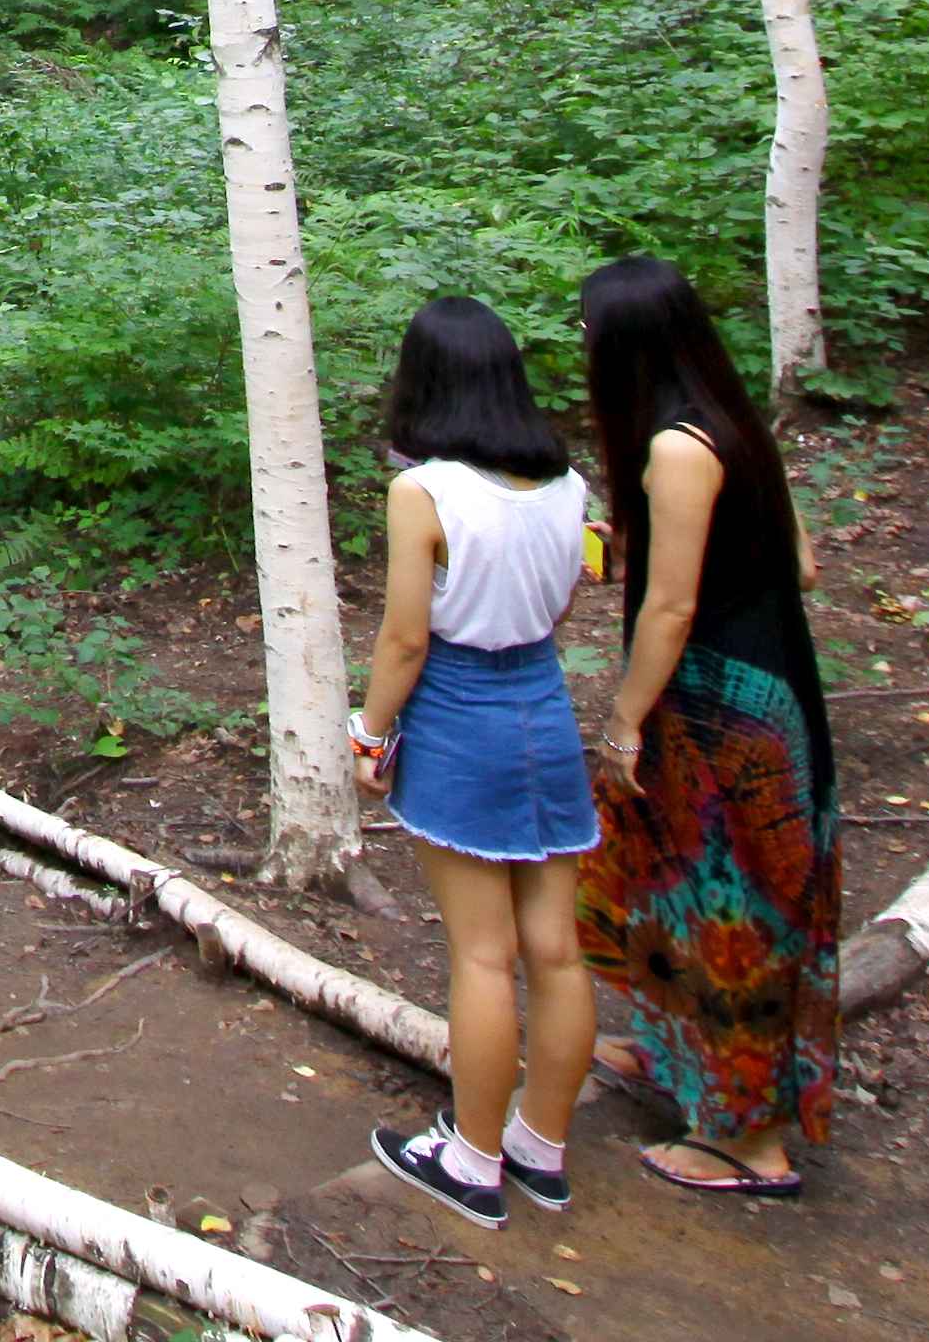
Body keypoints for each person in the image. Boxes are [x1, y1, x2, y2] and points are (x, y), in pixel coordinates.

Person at [576, 254, 841, 1200]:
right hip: (773, 687)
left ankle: (748, 1142)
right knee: (669, 878)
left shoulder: (680, 450)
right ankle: (676, 1046)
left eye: (588, 331)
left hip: (724, 710)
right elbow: (801, 564)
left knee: (733, 905)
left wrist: (623, 722)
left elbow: (670, 610)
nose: (582, 345)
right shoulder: (733, 424)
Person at [349, 295, 599, 1228]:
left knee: (482, 955)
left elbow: (406, 638)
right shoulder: (567, 486)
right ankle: (542, 1141)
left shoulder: (425, 492)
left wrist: (371, 735)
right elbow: (562, 606)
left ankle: (473, 1158)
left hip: (461, 713)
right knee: (557, 951)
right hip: (544, 708)